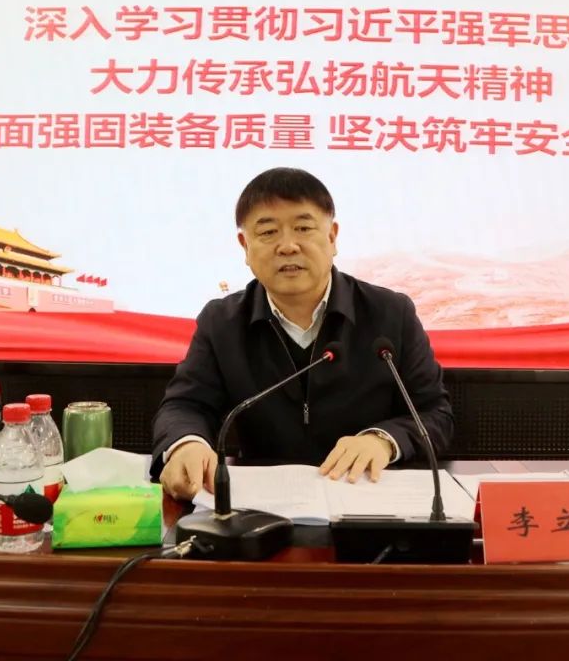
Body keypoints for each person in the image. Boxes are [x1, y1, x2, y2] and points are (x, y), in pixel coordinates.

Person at [150, 167, 453, 500]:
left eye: (303, 228)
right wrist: (187, 444)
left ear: (332, 237)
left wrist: (382, 440)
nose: (288, 246)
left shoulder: (390, 313)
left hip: (369, 497)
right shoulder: (222, 321)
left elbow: (434, 413)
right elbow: (185, 406)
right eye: (268, 232)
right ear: (245, 246)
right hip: (261, 505)